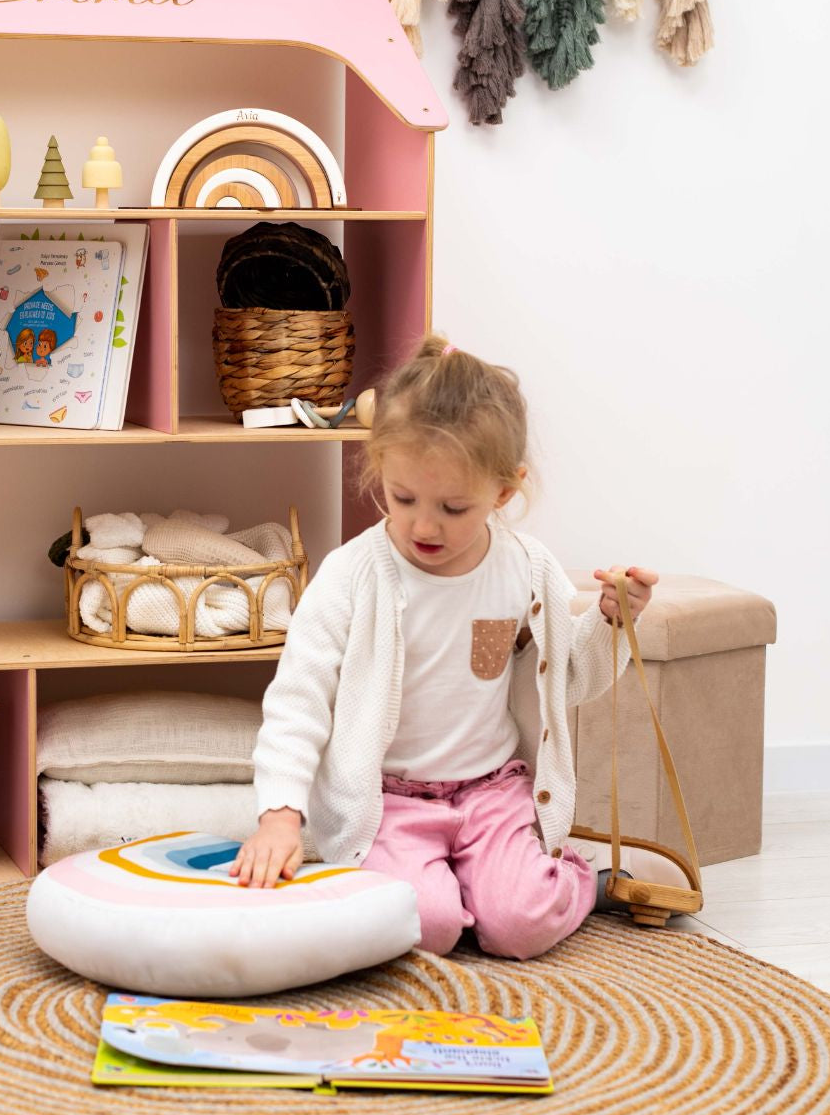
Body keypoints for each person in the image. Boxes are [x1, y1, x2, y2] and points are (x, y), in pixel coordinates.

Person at [231, 334, 668, 961]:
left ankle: (576, 881)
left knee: (522, 924)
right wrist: (280, 815)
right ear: (381, 470)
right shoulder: (353, 574)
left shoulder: (527, 570)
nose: (423, 526)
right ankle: (456, 892)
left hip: (493, 792)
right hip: (391, 802)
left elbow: (568, 676)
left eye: (453, 507)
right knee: (426, 926)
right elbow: (299, 704)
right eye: (403, 498)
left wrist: (610, 621)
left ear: (504, 493)